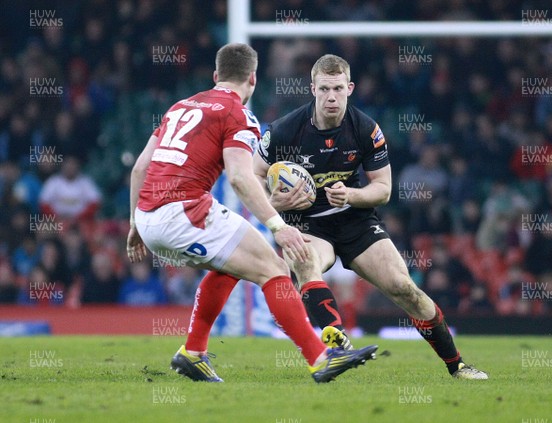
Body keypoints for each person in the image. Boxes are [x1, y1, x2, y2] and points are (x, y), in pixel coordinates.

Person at [191, 54, 487, 379]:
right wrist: (275, 198)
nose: (331, 97)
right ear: (313, 89)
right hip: (308, 223)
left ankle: (457, 366)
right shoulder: (285, 130)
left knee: (405, 288)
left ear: (350, 88)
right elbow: (254, 176)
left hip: (356, 222)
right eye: (324, 89)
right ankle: (335, 337)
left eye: (337, 89)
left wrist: (352, 195)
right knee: (306, 262)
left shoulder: (365, 129)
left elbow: (384, 189)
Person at [126, 44, 377, 383]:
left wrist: (133, 223)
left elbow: (140, 168)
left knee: (232, 263)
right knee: (273, 268)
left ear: (216, 77)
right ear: (253, 80)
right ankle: (320, 358)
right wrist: (277, 226)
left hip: (147, 215)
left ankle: (192, 353)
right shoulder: (238, 114)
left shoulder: (179, 107)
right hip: (183, 213)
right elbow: (241, 176)